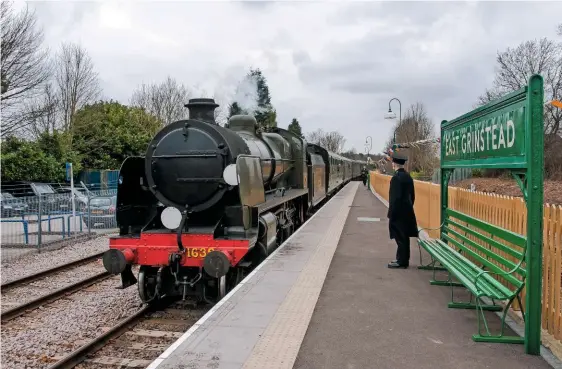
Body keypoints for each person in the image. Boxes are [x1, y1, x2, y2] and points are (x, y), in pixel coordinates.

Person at [387, 152, 418, 269]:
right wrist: (409, 207)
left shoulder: (396, 178)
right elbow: (412, 196)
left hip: (398, 213)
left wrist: (391, 213)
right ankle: (403, 259)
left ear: (394, 164)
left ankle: (402, 261)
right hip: (407, 211)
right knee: (404, 237)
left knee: (400, 237)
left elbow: (395, 198)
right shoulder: (408, 177)